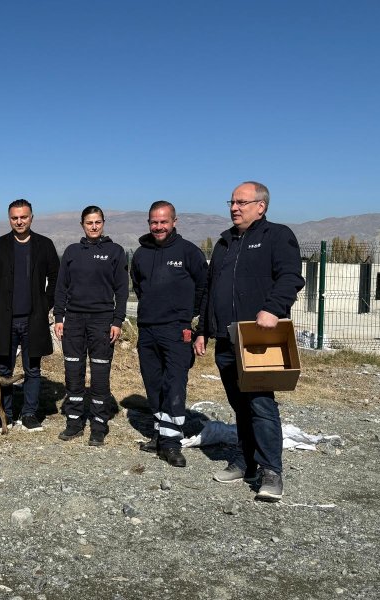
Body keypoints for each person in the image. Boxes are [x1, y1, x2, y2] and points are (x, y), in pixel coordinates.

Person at [194, 181, 304, 502]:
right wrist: (203, 330)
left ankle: (272, 471)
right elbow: (211, 290)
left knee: (260, 403)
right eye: (232, 201)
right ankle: (246, 461)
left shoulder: (277, 236)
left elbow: (290, 277)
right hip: (226, 338)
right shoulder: (225, 242)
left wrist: (273, 308)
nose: (234, 207)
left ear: (261, 206)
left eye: (242, 202)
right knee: (239, 403)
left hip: (258, 337)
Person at [131, 201, 208, 467]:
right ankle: (160, 434)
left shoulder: (189, 252)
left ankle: (172, 444)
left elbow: (203, 287)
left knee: (174, 385)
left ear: (175, 221)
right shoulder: (140, 254)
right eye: (154, 222)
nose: (159, 226)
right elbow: (139, 287)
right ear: (149, 223)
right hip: (148, 329)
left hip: (177, 330)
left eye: (164, 221)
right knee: (153, 384)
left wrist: (190, 317)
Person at [0, 199, 59, 432]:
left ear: (31, 217)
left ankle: (29, 414)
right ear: (9, 219)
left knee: (32, 369)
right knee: (3, 369)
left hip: (33, 319)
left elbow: (56, 278)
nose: (19, 221)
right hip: (5, 319)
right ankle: (3, 414)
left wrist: (45, 304)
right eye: (15, 217)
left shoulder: (44, 245)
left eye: (23, 217)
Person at [54, 206, 128, 446]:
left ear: (103, 223)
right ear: (82, 225)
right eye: (89, 222)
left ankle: (98, 426)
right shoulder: (72, 252)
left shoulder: (115, 251)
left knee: (99, 375)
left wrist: (117, 320)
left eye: (97, 222)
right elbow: (61, 287)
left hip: (102, 320)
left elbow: (122, 290)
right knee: (73, 373)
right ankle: (74, 422)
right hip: (74, 320)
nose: (94, 226)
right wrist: (58, 317)